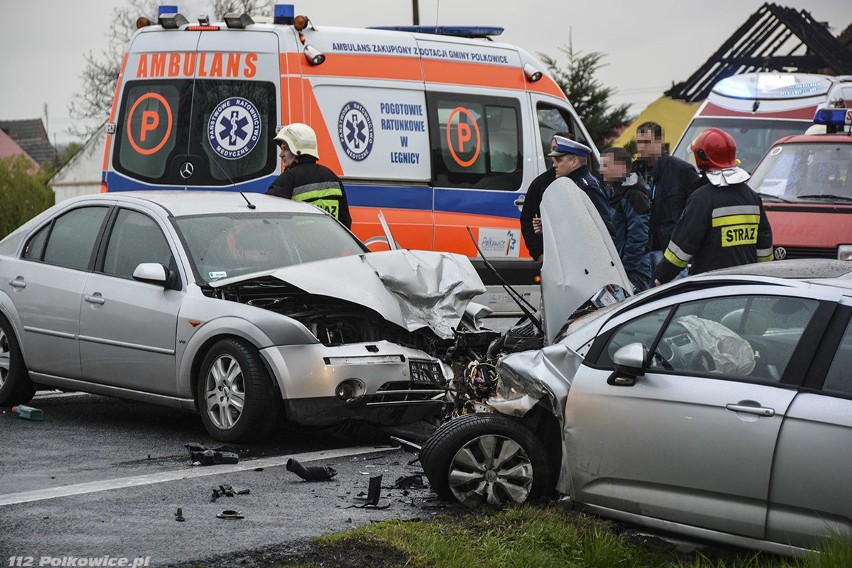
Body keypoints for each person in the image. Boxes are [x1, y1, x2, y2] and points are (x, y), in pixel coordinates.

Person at [654, 128, 773, 285]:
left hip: (712, 289)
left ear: (701, 157)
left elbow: (682, 248)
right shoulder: (751, 196)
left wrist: (662, 276)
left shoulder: (702, 199)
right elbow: (764, 249)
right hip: (747, 286)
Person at [634, 121, 700, 274]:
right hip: (642, 253)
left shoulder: (681, 171)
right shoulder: (633, 172)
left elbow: (697, 211)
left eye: (646, 142)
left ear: (660, 142)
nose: (641, 147)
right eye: (639, 142)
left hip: (671, 253)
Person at [268, 123, 352, 229]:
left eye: (285, 149)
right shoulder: (332, 178)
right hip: (329, 244)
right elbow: (345, 222)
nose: (281, 154)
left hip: (298, 244)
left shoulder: (288, 178)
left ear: (296, 150)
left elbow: (269, 219)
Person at [546, 135, 615, 245]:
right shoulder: (570, 183)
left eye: (559, 160)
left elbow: (604, 228)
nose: (554, 165)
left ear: (574, 161)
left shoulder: (587, 187)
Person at [601, 147, 652, 292]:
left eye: (606, 165)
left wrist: (626, 268)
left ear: (621, 167)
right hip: (621, 268)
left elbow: (638, 235)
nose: (602, 170)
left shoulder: (634, 194)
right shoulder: (615, 191)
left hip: (633, 272)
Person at [519, 133, 566, 261]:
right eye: (553, 149)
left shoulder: (584, 184)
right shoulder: (540, 183)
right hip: (551, 257)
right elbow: (527, 220)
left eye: (560, 149)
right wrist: (538, 254)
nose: (555, 154)